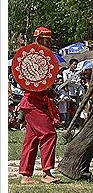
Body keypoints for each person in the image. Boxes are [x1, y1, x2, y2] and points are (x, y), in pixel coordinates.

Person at [17, 27, 60, 184]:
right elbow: (27, 83)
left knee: (32, 138)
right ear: (39, 39)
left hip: (37, 102)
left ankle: (26, 175)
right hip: (32, 102)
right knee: (49, 134)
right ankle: (46, 172)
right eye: (47, 41)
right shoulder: (30, 57)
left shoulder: (43, 57)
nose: (48, 45)